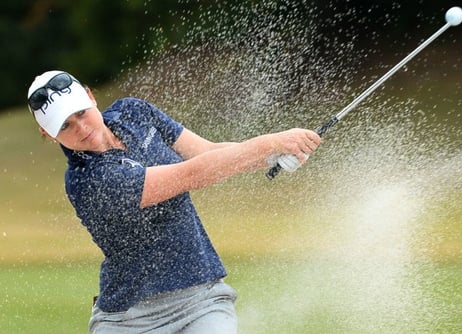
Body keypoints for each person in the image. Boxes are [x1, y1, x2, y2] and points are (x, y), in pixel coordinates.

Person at [26, 70, 320, 333]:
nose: (81, 127)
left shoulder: (133, 112)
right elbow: (193, 174)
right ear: (48, 134)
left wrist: (272, 155)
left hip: (201, 300)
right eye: (65, 125)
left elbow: (206, 152)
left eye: (81, 112)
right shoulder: (88, 181)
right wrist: (271, 144)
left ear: (90, 97)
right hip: (129, 319)